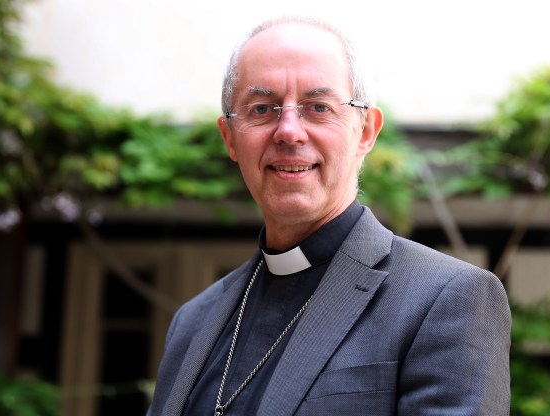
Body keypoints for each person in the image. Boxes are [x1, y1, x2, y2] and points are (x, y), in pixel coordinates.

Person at [148, 16, 511, 416]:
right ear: (230, 137)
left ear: (366, 131)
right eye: (262, 108)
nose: (289, 131)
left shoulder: (444, 299)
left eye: (318, 107)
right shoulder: (192, 322)